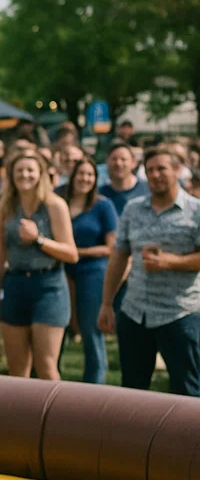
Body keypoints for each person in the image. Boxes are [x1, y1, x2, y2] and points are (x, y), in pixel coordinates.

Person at [98, 146, 200, 396]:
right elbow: (119, 256)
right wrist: (107, 303)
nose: (156, 175)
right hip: (135, 313)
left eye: (162, 168)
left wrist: (169, 262)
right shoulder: (133, 209)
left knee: (187, 392)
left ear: (177, 170)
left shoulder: (196, 211)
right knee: (133, 393)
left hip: (179, 314)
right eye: (150, 170)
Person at [0, 149, 78, 380]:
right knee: (17, 371)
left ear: (41, 174)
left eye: (30, 170)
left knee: (46, 367)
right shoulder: (5, 207)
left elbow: (71, 253)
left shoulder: (54, 205)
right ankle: (21, 417)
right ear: (11, 175)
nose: (25, 175)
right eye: (19, 170)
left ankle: (54, 416)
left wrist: (38, 239)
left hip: (49, 286)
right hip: (15, 284)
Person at [58, 160, 118, 384]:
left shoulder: (103, 206)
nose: (85, 179)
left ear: (95, 179)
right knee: (58, 330)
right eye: (81, 174)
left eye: (90, 175)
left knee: (91, 331)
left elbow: (112, 247)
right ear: (72, 176)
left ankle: (95, 386)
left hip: (91, 272)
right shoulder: (59, 201)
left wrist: (76, 251)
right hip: (60, 272)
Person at [99, 141, 149, 216]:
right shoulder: (99, 194)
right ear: (107, 162)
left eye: (123, 159)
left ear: (134, 163)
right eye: (114, 159)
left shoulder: (147, 190)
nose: (118, 163)